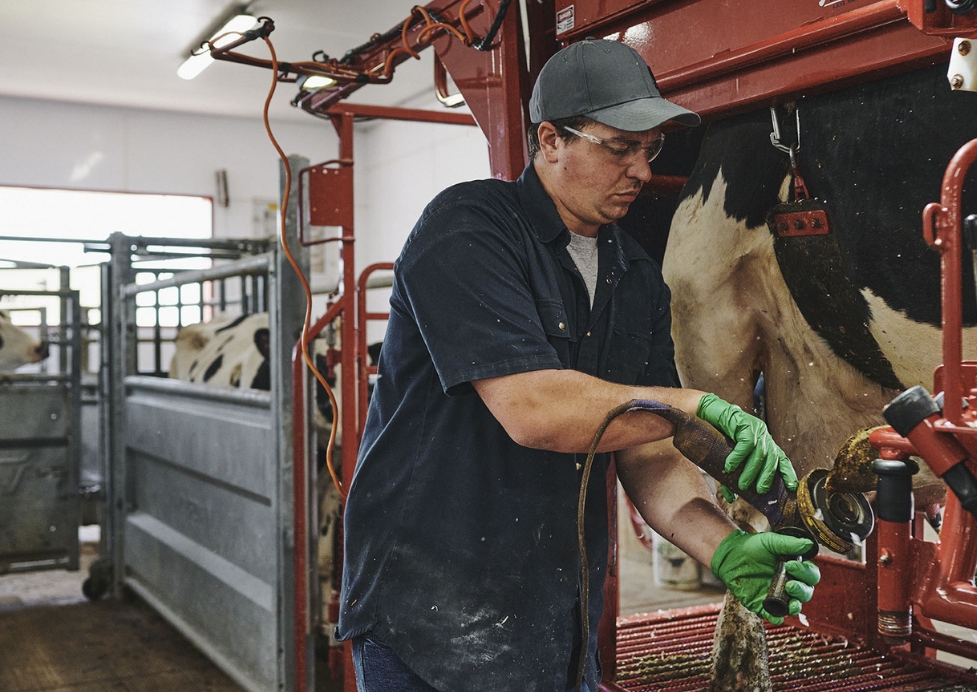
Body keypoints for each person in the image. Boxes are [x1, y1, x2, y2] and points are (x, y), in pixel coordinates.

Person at [335, 38, 822, 692]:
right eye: (619, 147)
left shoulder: (636, 278)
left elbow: (647, 455)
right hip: (429, 615)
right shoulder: (469, 228)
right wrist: (689, 407)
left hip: (551, 621)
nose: (641, 172)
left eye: (648, 150)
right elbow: (534, 410)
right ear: (549, 140)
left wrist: (722, 545)